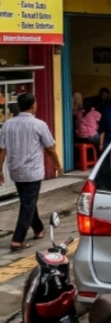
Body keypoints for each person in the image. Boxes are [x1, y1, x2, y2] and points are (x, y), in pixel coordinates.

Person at [0, 93, 62, 251]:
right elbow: (50, 148)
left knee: (28, 201)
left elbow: (2, 150)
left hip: (15, 171)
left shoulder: (7, 125)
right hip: (32, 172)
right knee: (28, 204)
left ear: (18, 106)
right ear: (34, 105)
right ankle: (17, 240)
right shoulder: (39, 124)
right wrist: (57, 164)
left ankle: (38, 228)